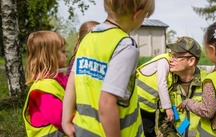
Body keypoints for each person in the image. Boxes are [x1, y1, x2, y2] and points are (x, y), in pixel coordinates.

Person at [61, 0, 155, 137]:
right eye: (145, 16)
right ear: (137, 15)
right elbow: (106, 102)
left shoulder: (89, 38)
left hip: (83, 130)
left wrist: (66, 121)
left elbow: (71, 82)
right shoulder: (126, 46)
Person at [158, 36, 209, 137]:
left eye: (176, 56)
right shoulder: (167, 83)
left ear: (191, 61)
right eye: (171, 55)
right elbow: (164, 121)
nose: (170, 60)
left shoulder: (208, 81)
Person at [23, 31, 68, 137]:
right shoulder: (43, 87)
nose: (66, 54)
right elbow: (59, 118)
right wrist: (83, 123)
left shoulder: (58, 79)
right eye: (63, 51)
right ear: (50, 56)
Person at [136, 52, 174, 137]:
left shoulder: (172, 66)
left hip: (148, 104)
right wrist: (167, 107)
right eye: (173, 56)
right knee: (147, 131)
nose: (173, 59)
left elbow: (197, 68)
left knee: (148, 130)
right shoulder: (164, 61)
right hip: (140, 101)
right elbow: (162, 84)